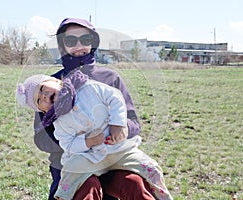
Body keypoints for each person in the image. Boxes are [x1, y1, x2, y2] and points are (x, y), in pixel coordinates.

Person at [31, 17, 164, 200]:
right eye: (71, 40)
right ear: (62, 45)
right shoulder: (49, 87)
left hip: (114, 158)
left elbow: (134, 122)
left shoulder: (110, 78)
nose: (79, 45)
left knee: (135, 184)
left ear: (93, 43)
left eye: (85, 40)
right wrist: (78, 141)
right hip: (75, 164)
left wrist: (121, 128)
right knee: (87, 189)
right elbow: (40, 138)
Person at [16, 69, 173, 200]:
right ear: (44, 111)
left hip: (119, 150)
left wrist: (118, 124)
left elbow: (115, 97)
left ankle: (161, 195)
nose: (43, 95)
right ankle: (63, 196)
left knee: (149, 167)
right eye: (39, 99)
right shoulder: (59, 123)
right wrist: (88, 141)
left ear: (57, 81)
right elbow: (68, 145)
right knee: (71, 169)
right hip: (90, 157)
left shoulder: (87, 87)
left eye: (43, 88)